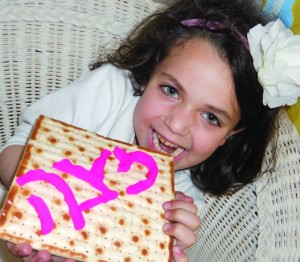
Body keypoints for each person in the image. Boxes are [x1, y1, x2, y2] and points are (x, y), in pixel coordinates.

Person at [1, 0, 299, 261]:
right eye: (170, 90)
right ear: (147, 74)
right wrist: (53, 195)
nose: (177, 124)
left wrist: (164, 251)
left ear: (230, 135)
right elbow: (10, 155)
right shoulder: (108, 91)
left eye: (210, 117)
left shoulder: (182, 196)